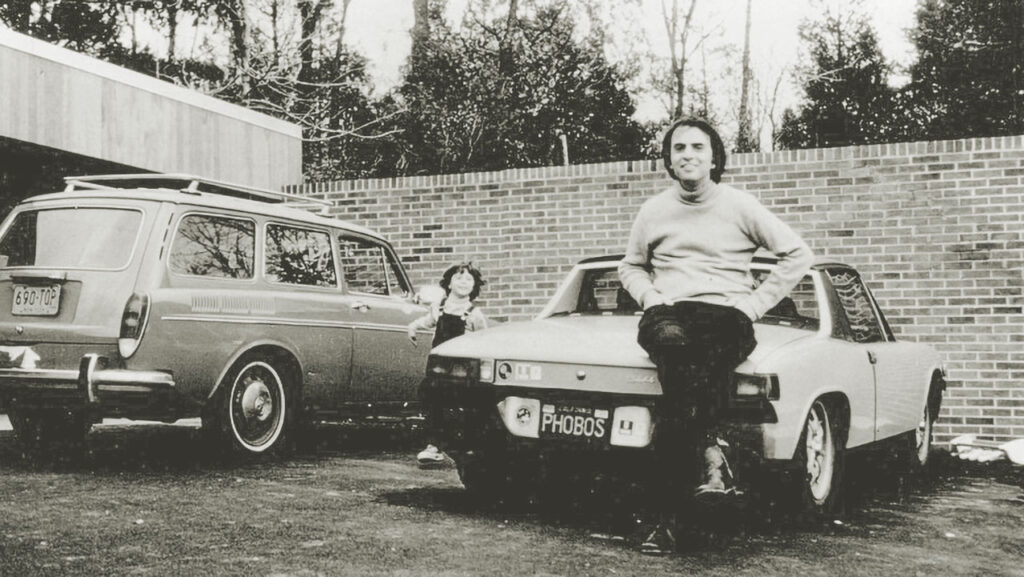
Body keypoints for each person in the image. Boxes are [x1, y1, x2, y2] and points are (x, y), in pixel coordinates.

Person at [618, 118, 813, 554]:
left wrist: (754, 305)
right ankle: (712, 459)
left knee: (676, 406)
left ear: (714, 157)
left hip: (726, 315)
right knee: (674, 349)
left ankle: (667, 521)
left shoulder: (740, 205)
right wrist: (650, 297)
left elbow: (797, 254)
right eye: (679, 148)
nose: (688, 154)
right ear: (669, 159)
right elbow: (630, 265)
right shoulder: (653, 210)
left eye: (698, 147)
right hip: (667, 314)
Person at [407, 262, 488, 468]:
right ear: (449, 283)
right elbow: (427, 321)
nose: (463, 282)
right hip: (438, 368)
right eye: (459, 278)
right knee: (433, 400)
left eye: (469, 279)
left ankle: (467, 446)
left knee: (463, 406)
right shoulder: (439, 308)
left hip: (463, 370)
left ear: (474, 287)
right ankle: (434, 447)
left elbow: (485, 340)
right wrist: (413, 326)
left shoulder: (474, 314)